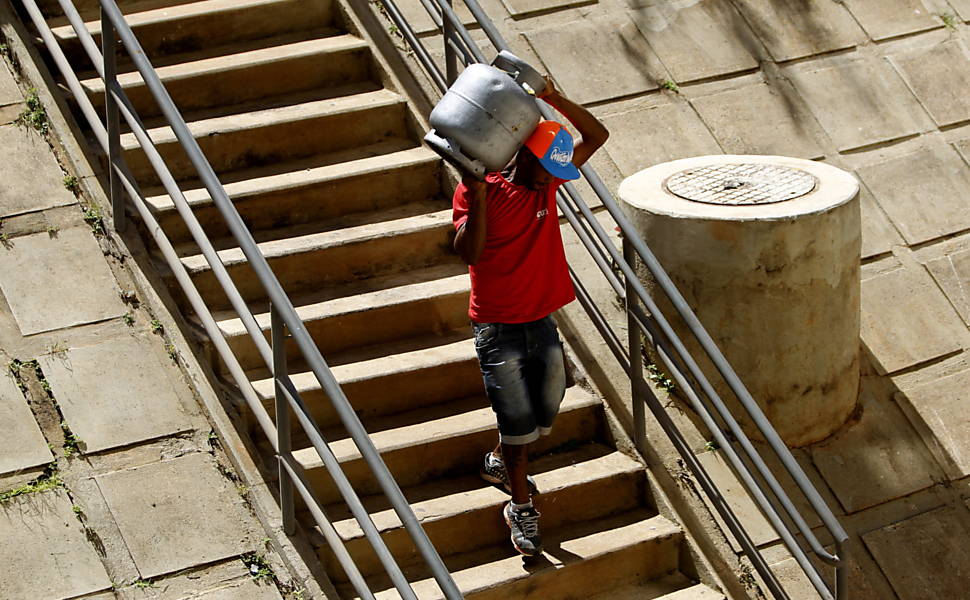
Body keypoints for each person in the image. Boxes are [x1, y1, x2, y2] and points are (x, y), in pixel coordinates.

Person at [451, 76, 609, 557]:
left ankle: (500, 459)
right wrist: (478, 196)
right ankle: (520, 506)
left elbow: (597, 136)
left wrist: (552, 97)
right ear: (521, 155)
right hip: (497, 327)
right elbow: (469, 252)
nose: (551, 178)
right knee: (519, 425)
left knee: (548, 406)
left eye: (554, 170)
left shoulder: (548, 181)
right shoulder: (482, 191)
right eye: (544, 168)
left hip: (540, 318)